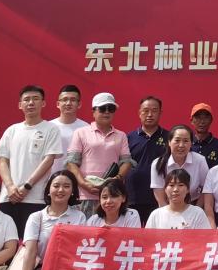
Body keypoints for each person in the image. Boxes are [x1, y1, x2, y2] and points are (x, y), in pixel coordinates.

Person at [8, 169, 86, 270]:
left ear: (73, 191)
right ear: (48, 190)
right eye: (56, 186)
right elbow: (30, 252)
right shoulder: (36, 217)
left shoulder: (79, 217)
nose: (60, 190)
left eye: (66, 186)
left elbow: (80, 251)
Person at [0, 84, 63, 237]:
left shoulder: (50, 129)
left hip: (35, 198)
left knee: (30, 242)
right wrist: (10, 187)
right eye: (27, 100)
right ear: (20, 105)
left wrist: (27, 186)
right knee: (7, 242)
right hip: (9, 197)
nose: (31, 103)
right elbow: (3, 161)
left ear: (43, 103)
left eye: (35, 99)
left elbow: (49, 160)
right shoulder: (12, 130)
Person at [146, 169, 211, 270]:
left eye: (181, 185)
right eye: (171, 185)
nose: (175, 190)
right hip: (162, 263)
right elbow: (147, 244)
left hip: (189, 263)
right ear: (165, 188)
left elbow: (205, 242)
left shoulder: (197, 213)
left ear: (188, 189)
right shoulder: (156, 214)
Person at [84, 178, 141, 270]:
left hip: (125, 260)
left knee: (128, 266)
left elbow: (132, 241)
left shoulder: (132, 215)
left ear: (123, 198)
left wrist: (109, 236)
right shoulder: (93, 220)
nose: (108, 201)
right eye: (104, 197)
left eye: (114, 196)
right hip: (102, 263)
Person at [66, 92, 132, 215]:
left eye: (110, 109)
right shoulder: (81, 133)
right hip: (85, 195)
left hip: (112, 195)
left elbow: (126, 162)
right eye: (102, 109)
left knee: (111, 227)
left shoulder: (121, 135)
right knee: (85, 228)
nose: (107, 112)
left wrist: (117, 179)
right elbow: (71, 163)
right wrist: (83, 184)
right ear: (93, 111)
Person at [127, 95, 169, 224]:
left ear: (160, 113)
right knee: (134, 234)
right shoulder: (129, 138)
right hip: (133, 196)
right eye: (145, 111)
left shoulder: (169, 137)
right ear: (139, 113)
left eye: (154, 110)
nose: (150, 114)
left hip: (160, 197)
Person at [150, 124, 209, 208]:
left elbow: (205, 188)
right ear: (169, 142)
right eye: (177, 140)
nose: (181, 145)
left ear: (191, 143)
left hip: (194, 205)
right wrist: (168, 213)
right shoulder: (158, 163)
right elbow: (160, 196)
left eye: (186, 141)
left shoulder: (200, 160)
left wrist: (196, 210)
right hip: (168, 206)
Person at [48, 85, 88, 174]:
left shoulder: (86, 129)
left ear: (79, 104)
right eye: (64, 99)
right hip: (51, 178)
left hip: (77, 178)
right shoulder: (48, 127)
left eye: (73, 100)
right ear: (58, 104)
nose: (68, 103)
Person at [189, 103, 218, 167]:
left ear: (211, 120)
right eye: (198, 117)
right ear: (191, 121)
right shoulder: (187, 144)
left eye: (206, 117)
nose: (202, 122)